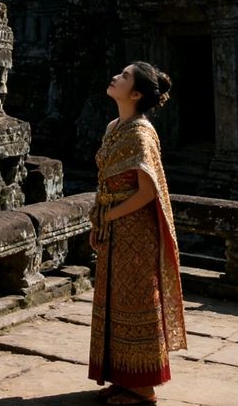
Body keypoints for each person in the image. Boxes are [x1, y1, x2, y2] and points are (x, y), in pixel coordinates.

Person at [88, 62, 187, 404]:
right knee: (114, 300)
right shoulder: (114, 125)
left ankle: (144, 385)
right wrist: (99, 220)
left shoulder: (141, 134)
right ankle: (123, 374)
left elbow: (147, 192)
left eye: (125, 76)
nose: (115, 76)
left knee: (137, 302)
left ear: (136, 94)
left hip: (135, 232)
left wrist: (110, 216)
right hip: (113, 225)